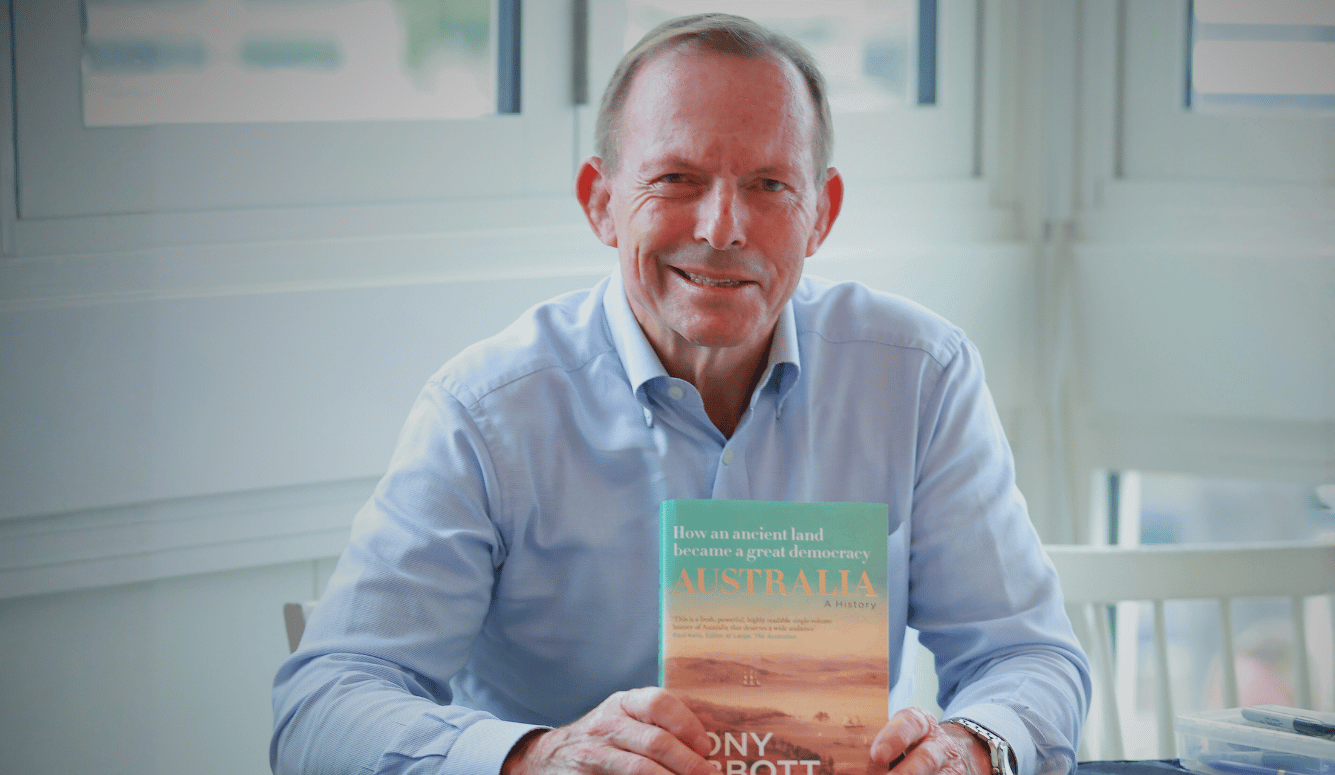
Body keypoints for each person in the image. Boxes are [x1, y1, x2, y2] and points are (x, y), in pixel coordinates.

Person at [271, 13, 1090, 775]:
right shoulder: (486, 411)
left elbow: (1028, 657)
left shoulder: (920, 376)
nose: (722, 227)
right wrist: (534, 758)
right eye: (676, 178)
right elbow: (323, 702)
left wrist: (969, 745)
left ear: (821, 213)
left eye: (769, 185)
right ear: (601, 201)